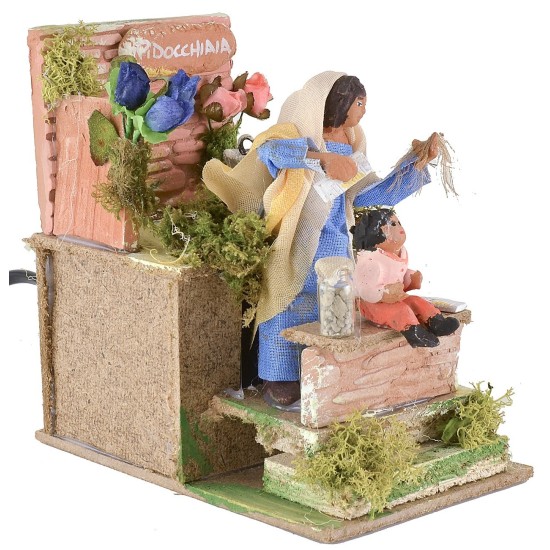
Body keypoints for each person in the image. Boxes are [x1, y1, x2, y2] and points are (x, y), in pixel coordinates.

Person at [203, 71, 440, 408]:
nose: (363, 111)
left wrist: (415, 167)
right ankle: (279, 374)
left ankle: (324, 371)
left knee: (332, 306)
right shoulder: (297, 134)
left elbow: (366, 195)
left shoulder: (353, 143)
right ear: (337, 103)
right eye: (359, 103)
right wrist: (322, 159)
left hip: (336, 237)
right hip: (299, 234)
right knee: (288, 300)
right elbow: (270, 153)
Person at [352, 207, 459, 347]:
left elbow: (398, 275)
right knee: (401, 310)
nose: (399, 227)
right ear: (375, 234)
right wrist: (384, 294)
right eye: (392, 225)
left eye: (398, 223)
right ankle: (414, 333)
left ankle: (437, 323)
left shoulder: (399, 253)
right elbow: (365, 290)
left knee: (417, 301)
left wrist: (411, 278)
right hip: (373, 305)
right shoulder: (371, 261)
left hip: (396, 297)